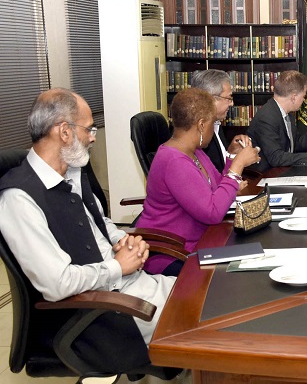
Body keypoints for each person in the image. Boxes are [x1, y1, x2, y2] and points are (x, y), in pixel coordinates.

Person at [0, 88, 175, 344]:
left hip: (130, 286)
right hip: (103, 312)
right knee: (208, 320)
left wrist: (123, 241)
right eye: (89, 129)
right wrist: (117, 266)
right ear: (64, 132)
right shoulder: (19, 199)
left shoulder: (71, 173)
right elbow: (57, 283)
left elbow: (99, 223)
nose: (93, 138)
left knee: (208, 292)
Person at [135, 88, 260, 276]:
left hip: (201, 241)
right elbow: (213, 212)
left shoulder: (195, 152)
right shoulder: (174, 161)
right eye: (212, 123)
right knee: (246, 273)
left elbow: (218, 187)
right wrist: (240, 164)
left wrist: (232, 156)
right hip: (173, 253)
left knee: (256, 251)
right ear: (201, 125)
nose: (214, 128)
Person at [248, 70, 307, 171]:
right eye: (303, 96)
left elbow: (296, 146)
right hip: (265, 176)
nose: (304, 100)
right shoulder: (266, 117)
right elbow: (276, 157)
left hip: (283, 171)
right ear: (293, 97)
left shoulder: (287, 114)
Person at [192, 69, 241, 172]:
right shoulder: (198, 133)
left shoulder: (216, 123)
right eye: (228, 98)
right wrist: (240, 162)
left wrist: (231, 153)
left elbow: (221, 169)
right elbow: (213, 182)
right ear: (211, 99)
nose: (232, 104)